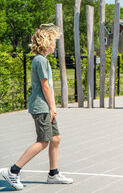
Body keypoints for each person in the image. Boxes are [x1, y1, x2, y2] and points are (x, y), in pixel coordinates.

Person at [1, 24, 73, 190]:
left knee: (55, 138)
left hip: (46, 106)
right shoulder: (40, 61)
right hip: (41, 107)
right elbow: (45, 86)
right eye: (53, 42)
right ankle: (12, 171)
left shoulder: (43, 60)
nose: (55, 45)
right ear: (46, 43)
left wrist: (52, 107)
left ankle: (53, 174)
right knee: (43, 141)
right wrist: (52, 107)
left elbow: (48, 86)